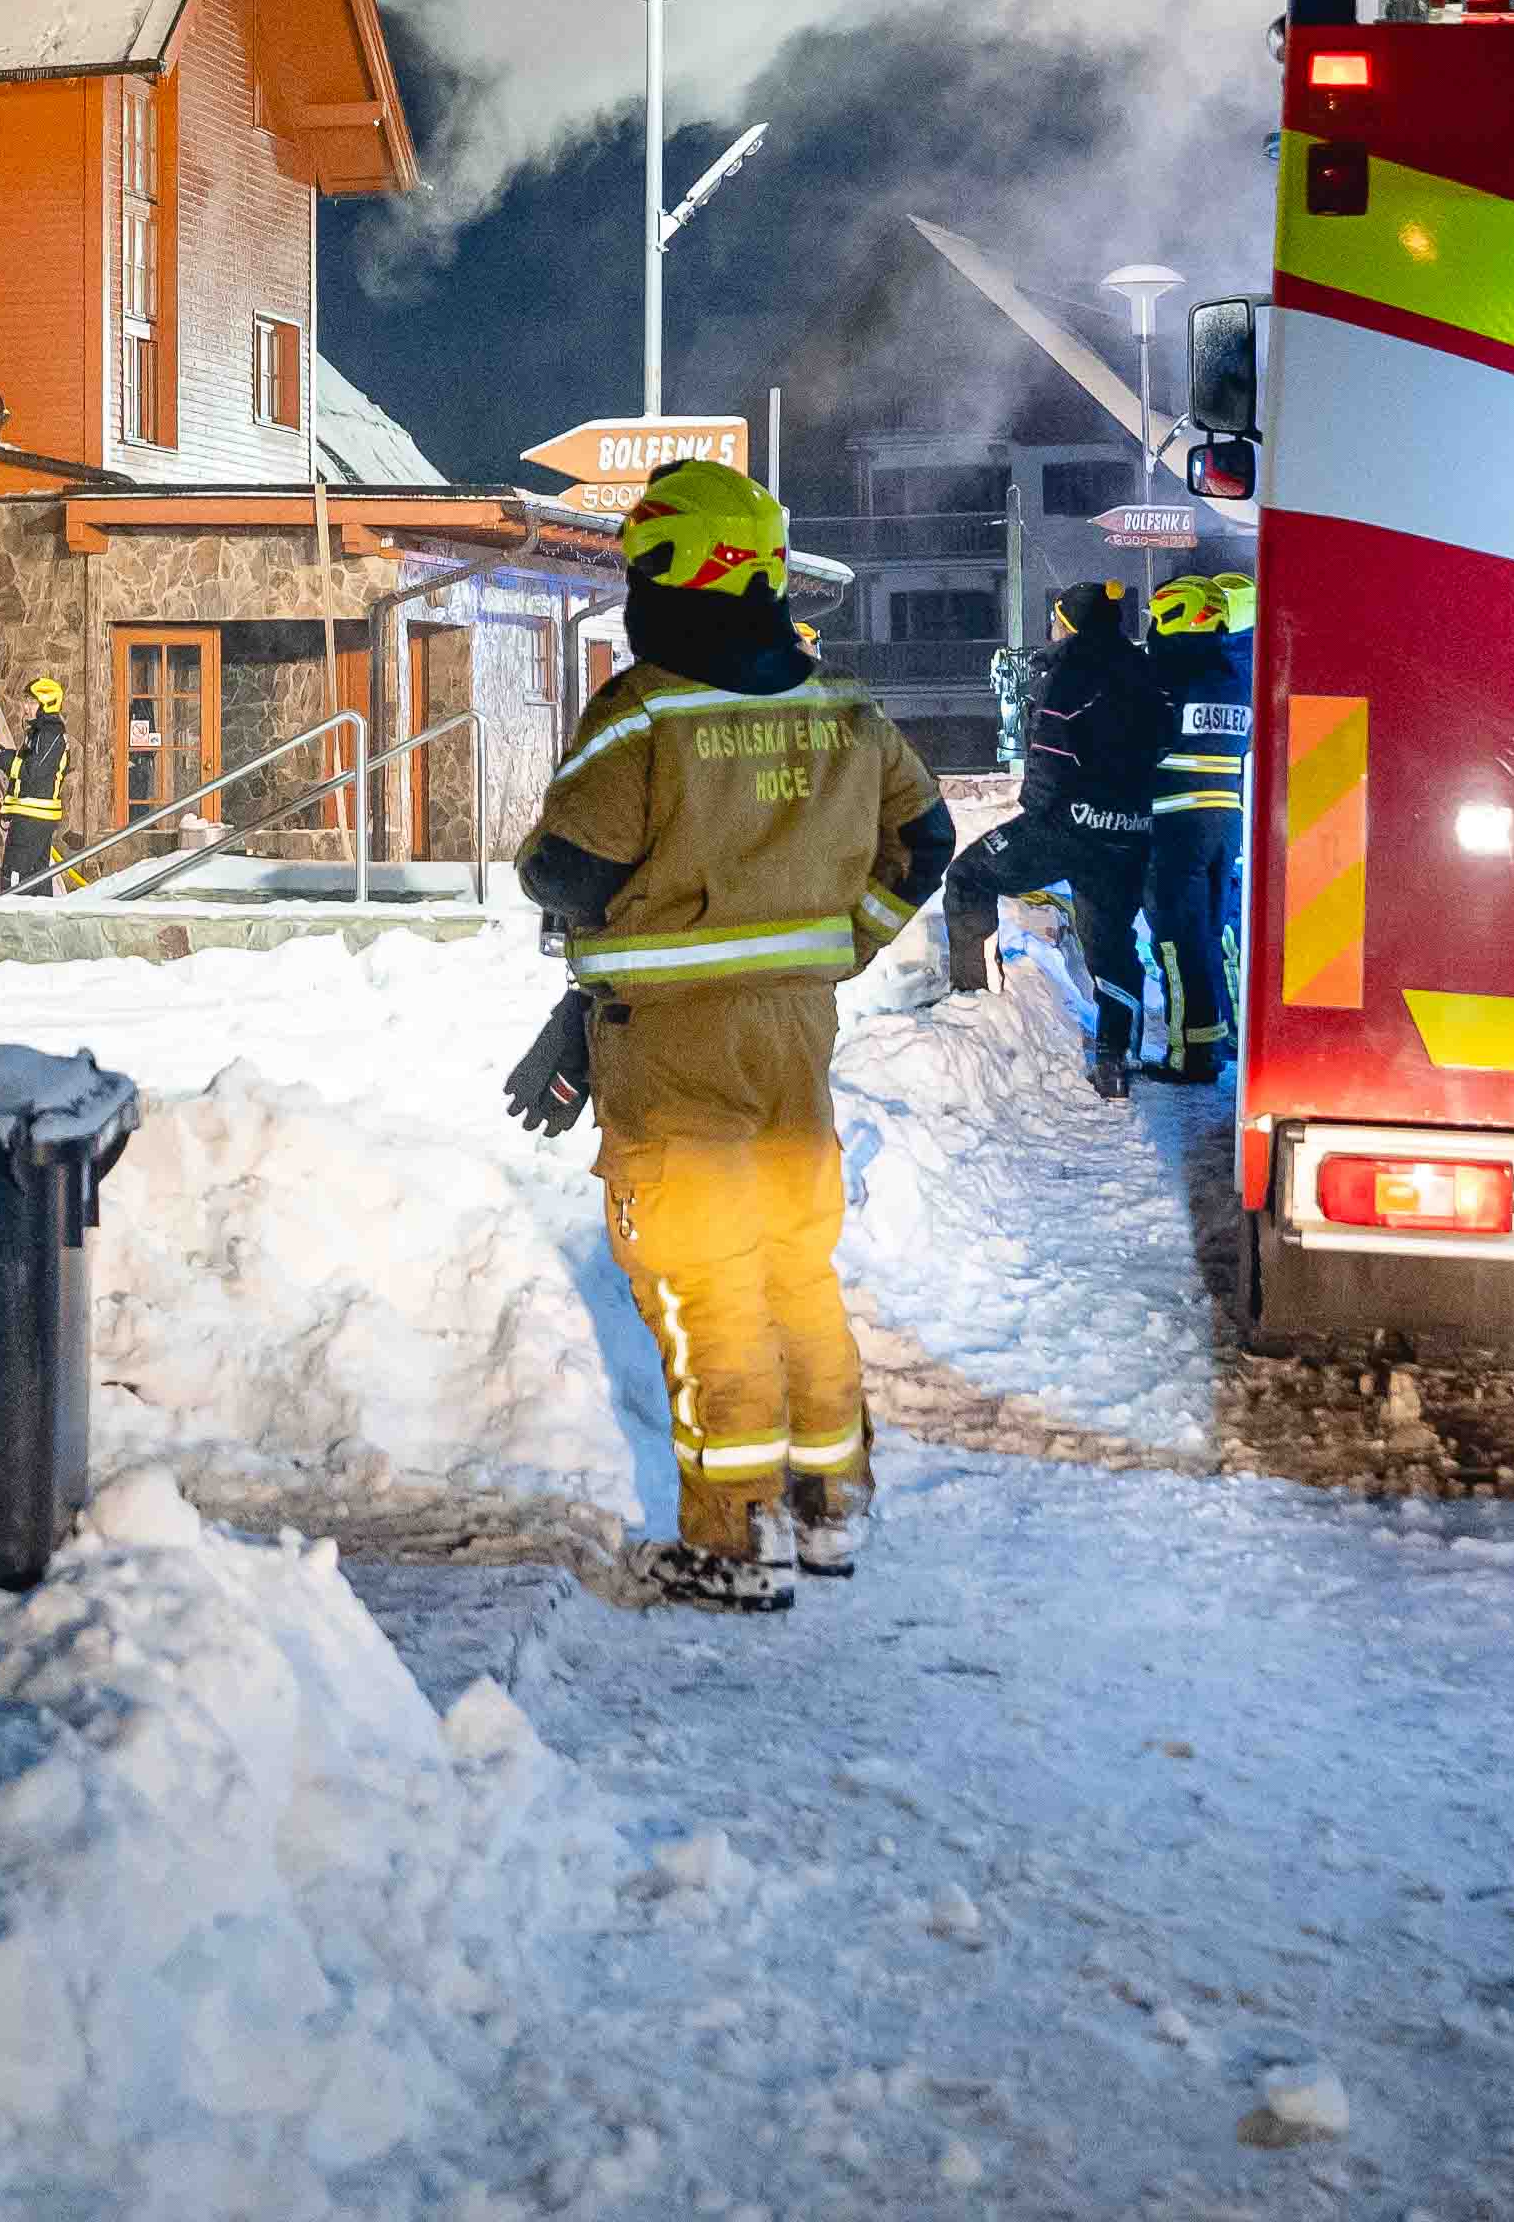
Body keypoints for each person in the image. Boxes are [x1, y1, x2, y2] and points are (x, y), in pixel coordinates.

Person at [502, 460, 948, 1611]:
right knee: (796, 1269)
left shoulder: (644, 713)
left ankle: (728, 1543)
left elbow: (572, 870)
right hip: (794, 1042)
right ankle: (831, 1506)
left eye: (644, 564)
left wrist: (558, 888)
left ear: (675, 572)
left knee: (707, 1288)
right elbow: (929, 844)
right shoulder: (844, 712)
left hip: (673, 1051)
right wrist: (841, 944)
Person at [963, 581, 1176, 1100]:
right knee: (1112, 943)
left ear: (1071, 623)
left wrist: (1037, 818)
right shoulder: (1146, 669)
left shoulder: (1070, 673)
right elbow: (1166, 737)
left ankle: (970, 1001)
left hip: (1069, 828)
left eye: (1056, 619)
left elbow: (1048, 759)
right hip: (1129, 831)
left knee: (968, 874)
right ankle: (1113, 1056)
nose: (1052, 629)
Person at [1128, 567, 1260, 1083]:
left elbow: (1138, 745)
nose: (1154, 629)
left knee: (1176, 940)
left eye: (1159, 618)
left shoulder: (1166, 677)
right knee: (1210, 932)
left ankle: (1193, 1054)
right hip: (1225, 823)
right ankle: (1223, 1033)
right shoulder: (1235, 677)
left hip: (1174, 826)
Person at [0, 672, 76, 887]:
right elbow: (35, 766)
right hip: (33, 815)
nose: (26, 707)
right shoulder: (41, 733)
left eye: (32, 702)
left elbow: (32, 771)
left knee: (15, 877)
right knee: (36, 880)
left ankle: (12, 916)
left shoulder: (48, 734)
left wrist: (0, 757)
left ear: (46, 704)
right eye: (26, 701)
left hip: (32, 817)